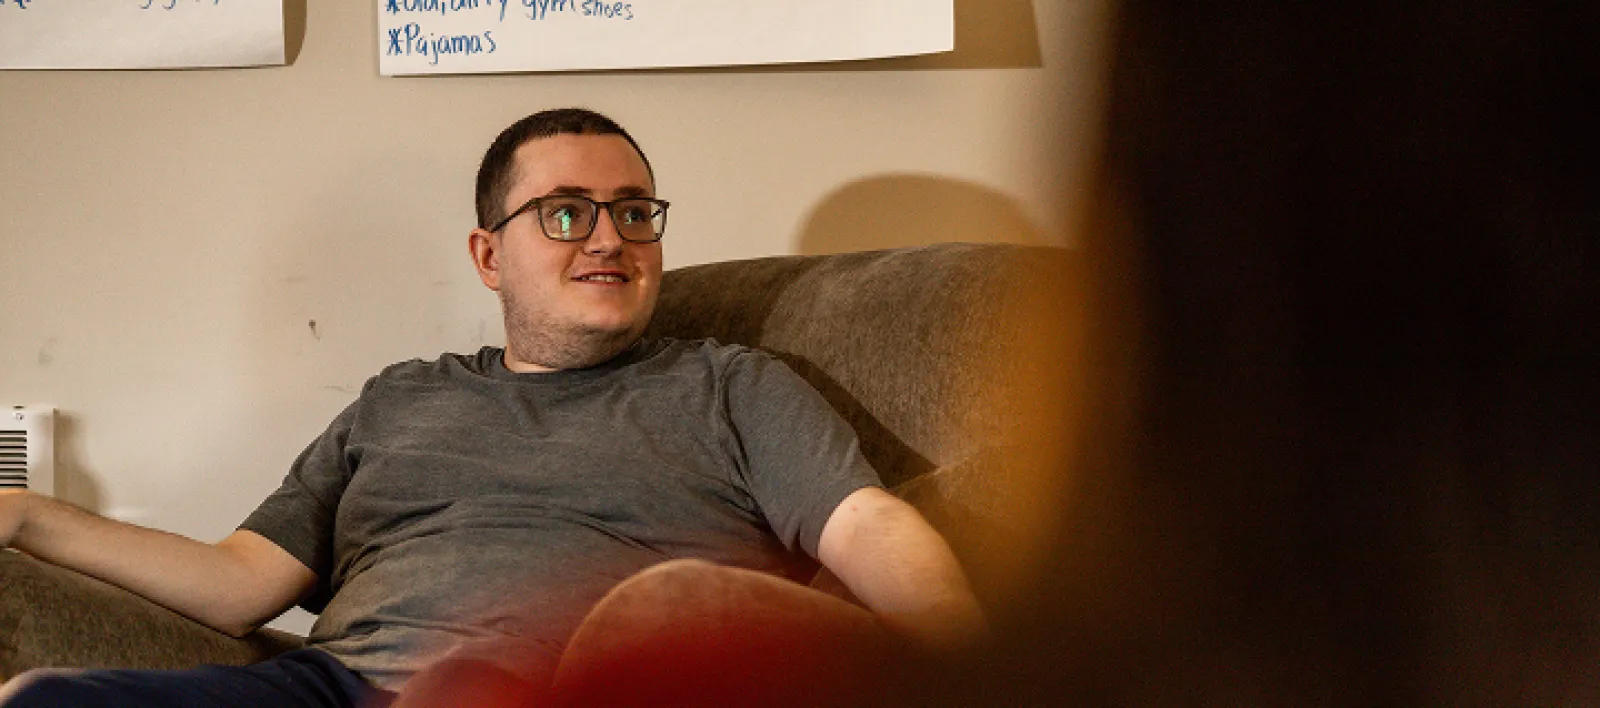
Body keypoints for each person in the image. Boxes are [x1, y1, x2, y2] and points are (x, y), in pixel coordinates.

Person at [0, 108, 985, 707]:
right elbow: (235, 584)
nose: (610, 237)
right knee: (42, 702)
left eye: (635, 212)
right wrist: (30, 516)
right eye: (567, 212)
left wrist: (988, 669)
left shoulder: (731, 388)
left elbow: (873, 532)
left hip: (572, 695)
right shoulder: (400, 404)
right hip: (334, 691)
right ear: (487, 255)